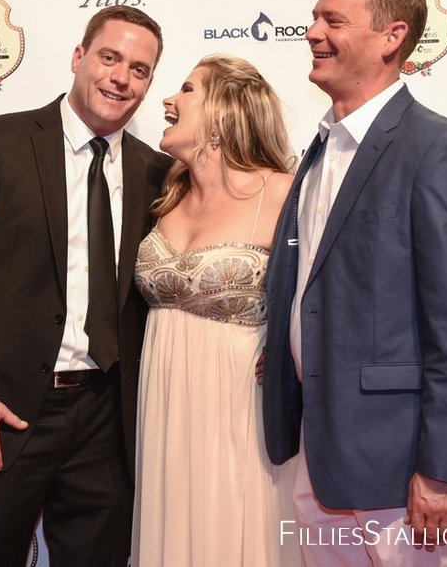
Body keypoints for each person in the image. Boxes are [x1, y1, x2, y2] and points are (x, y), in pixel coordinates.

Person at [261, 0, 447, 566]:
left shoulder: (438, 149)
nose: (312, 32)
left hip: (404, 467)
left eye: (333, 21)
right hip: (322, 455)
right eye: (314, 18)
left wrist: (444, 470)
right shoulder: (320, 150)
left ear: (391, 37)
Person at [0, 5, 172, 567]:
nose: (121, 77)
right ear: (79, 57)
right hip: (1, 412)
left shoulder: (156, 172)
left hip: (108, 419)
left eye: (139, 69)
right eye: (109, 57)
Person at [132, 54, 301, 567]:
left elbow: (330, 294)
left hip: (239, 406)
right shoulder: (166, 194)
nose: (167, 99)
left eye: (186, 89)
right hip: (163, 405)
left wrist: (291, 351)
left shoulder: (283, 192)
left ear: (225, 111)